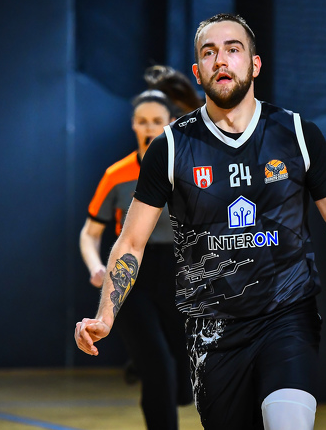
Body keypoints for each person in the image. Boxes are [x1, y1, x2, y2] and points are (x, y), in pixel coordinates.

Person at [75, 13, 326, 430]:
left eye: (233, 49)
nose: (221, 60)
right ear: (198, 72)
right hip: (212, 330)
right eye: (209, 53)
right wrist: (105, 316)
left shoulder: (298, 134)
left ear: (255, 64)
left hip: (287, 316)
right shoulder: (172, 147)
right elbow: (131, 242)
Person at [79, 89, 193, 430]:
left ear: (170, 123)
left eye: (156, 121)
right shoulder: (117, 175)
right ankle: (146, 363)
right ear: (133, 125)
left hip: (179, 272)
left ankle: (141, 364)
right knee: (158, 369)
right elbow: (89, 233)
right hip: (132, 275)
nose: (149, 127)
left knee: (184, 378)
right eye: (142, 121)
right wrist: (96, 266)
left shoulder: (188, 169)